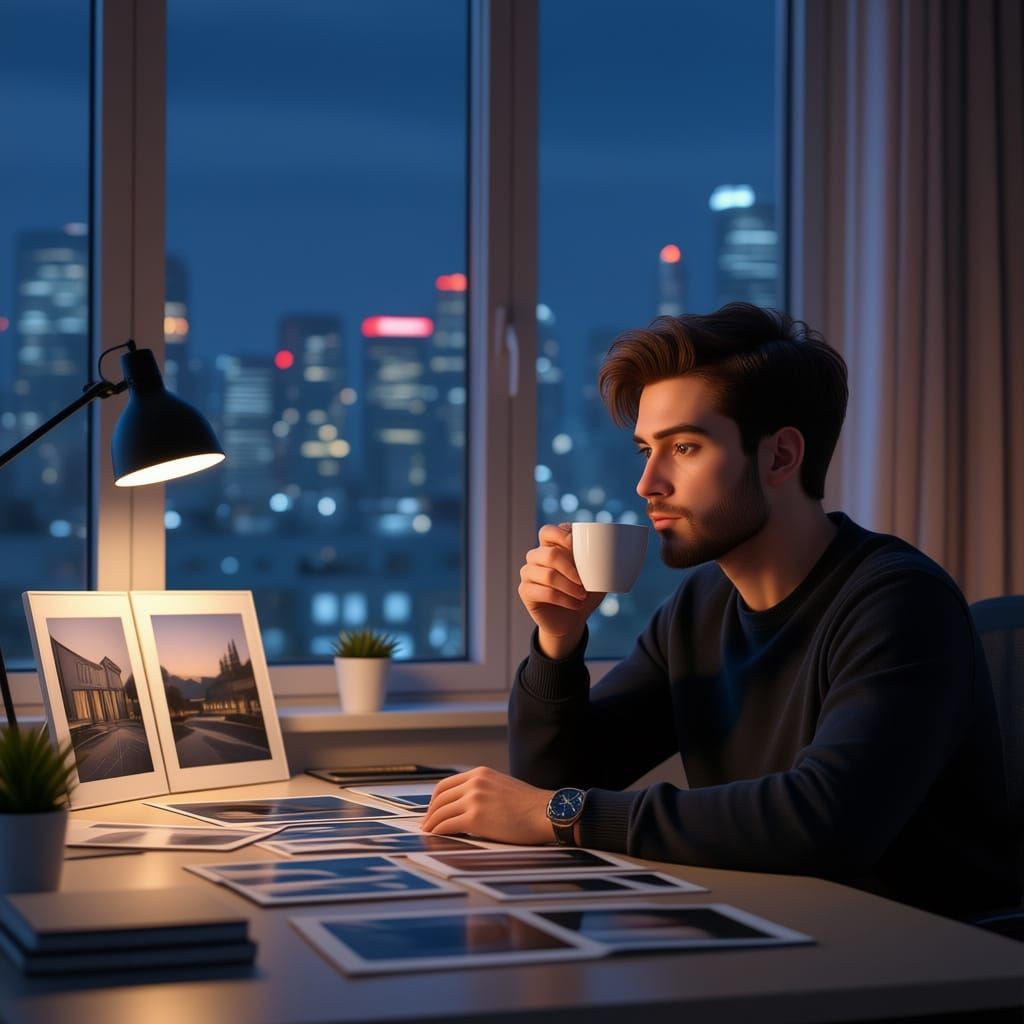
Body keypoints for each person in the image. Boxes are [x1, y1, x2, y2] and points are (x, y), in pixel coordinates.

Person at [422, 303, 1019, 919]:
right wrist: (558, 640)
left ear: (781, 457)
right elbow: (557, 779)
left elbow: (826, 820)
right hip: (775, 930)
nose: (648, 482)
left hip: (923, 961)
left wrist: (558, 815)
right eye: (645, 451)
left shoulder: (899, 602)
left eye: (684, 446)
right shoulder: (700, 607)